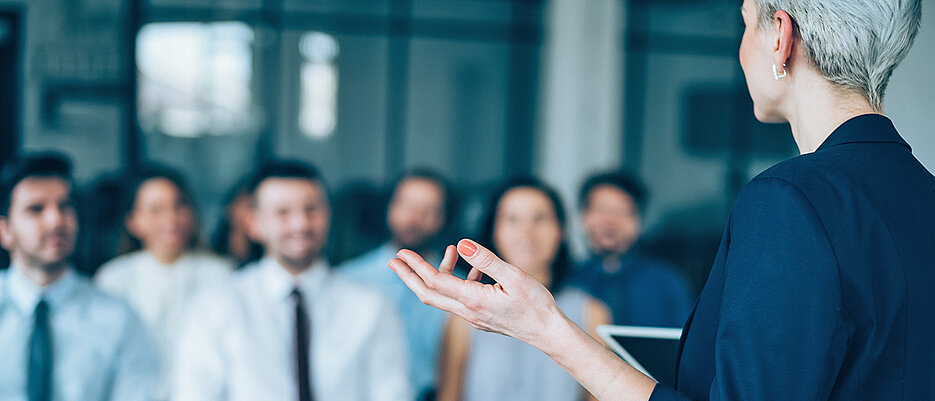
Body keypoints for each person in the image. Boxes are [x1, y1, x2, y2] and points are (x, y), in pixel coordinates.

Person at [388, 0, 935, 400]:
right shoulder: (923, 193)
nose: (740, 46)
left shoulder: (789, 200)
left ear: (780, 38)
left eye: (745, 24)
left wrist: (544, 326)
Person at [173, 159, 412, 401]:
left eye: (311, 209)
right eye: (283, 212)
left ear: (328, 215)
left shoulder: (372, 307)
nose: (300, 224)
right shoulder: (215, 306)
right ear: (254, 224)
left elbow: (392, 393)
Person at [0, 152, 158, 401]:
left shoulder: (118, 319)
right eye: (36, 209)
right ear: (5, 230)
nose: (56, 221)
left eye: (65, 206)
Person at [437, 177, 611, 401]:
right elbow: (449, 396)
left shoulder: (592, 312)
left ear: (561, 230)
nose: (526, 232)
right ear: (494, 231)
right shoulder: (465, 313)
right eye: (512, 219)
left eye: (539, 219)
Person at [95, 166, 233, 400]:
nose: (170, 218)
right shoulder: (113, 280)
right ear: (133, 221)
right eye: (156, 210)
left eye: (179, 206)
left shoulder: (222, 275)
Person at [339, 169, 451, 401]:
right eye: (406, 205)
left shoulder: (461, 287)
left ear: (441, 219)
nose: (414, 218)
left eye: (428, 210)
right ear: (390, 208)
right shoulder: (347, 280)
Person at [574, 171, 693, 328]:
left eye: (622, 211)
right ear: (583, 216)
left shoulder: (667, 283)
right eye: (601, 209)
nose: (610, 220)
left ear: (640, 221)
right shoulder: (568, 280)